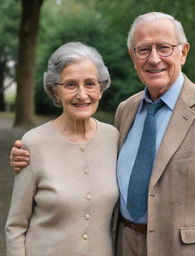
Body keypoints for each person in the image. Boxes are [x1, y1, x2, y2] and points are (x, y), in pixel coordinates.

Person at [10, 12, 195, 256]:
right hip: (124, 245)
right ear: (133, 57)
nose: (154, 59)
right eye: (143, 50)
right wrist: (29, 155)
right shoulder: (127, 111)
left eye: (164, 48)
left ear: (183, 52)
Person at [6, 42, 119, 256]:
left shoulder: (114, 138)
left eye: (90, 84)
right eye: (70, 85)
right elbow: (16, 226)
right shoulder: (33, 143)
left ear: (101, 88)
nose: (82, 94)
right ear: (55, 92)